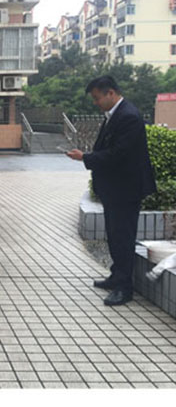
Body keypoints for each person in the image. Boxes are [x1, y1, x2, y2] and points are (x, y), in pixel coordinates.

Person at [67, 75, 156, 306]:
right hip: (115, 189)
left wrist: (85, 157)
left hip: (126, 189)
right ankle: (117, 275)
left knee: (123, 237)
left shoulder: (128, 117)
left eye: (97, 98)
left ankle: (124, 288)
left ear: (111, 93)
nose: (96, 102)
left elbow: (118, 155)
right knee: (114, 235)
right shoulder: (115, 115)